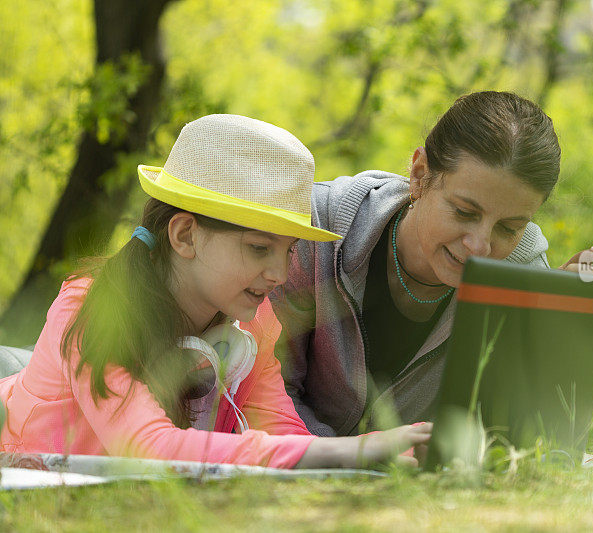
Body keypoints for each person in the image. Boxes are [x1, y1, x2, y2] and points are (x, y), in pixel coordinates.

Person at [0, 114, 430, 469]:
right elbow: (150, 449)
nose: (280, 273)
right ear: (184, 235)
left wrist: (392, 448)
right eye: (259, 248)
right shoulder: (90, 308)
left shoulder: (254, 326)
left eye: (290, 251)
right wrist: (345, 450)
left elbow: (284, 437)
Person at [269, 91, 593, 437]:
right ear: (420, 176)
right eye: (464, 212)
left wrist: (566, 332)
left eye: (509, 228)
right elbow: (265, 392)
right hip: (298, 465)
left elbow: (529, 438)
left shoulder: (523, 274)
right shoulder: (317, 228)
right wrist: (344, 458)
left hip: (413, 481)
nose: (479, 245)